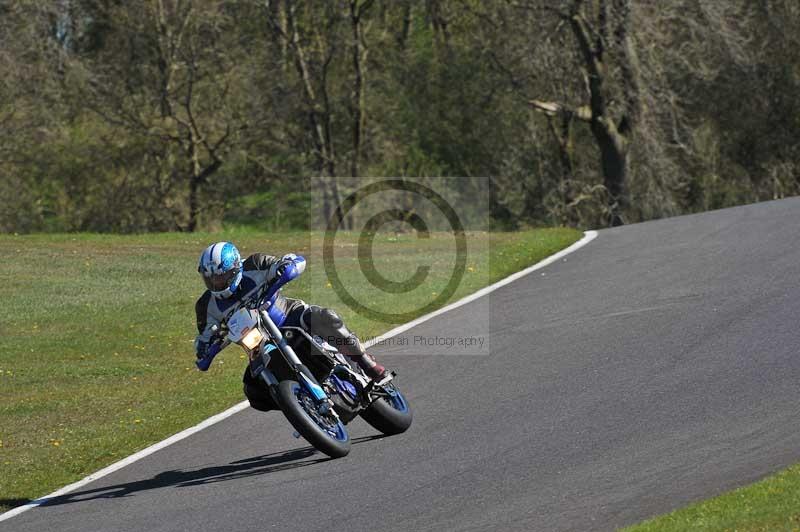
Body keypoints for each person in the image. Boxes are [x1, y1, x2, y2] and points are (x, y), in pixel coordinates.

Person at [194, 241, 388, 411]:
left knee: (326, 318)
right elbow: (204, 334)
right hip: (259, 342)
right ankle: (300, 406)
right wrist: (203, 348)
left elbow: (292, 262)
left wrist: (286, 266)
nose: (216, 283)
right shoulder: (205, 305)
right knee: (253, 390)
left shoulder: (255, 263)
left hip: (288, 316)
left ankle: (365, 363)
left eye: (221, 277)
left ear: (236, 267)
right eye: (210, 279)